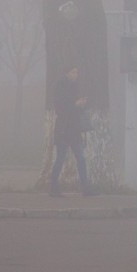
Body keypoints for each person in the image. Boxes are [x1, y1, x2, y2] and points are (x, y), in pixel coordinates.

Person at [49, 65, 95, 196]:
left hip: (74, 129)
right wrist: (75, 105)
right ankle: (54, 187)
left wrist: (82, 104)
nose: (76, 74)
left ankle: (86, 187)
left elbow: (75, 110)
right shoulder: (60, 87)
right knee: (60, 158)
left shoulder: (75, 87)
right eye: (73, 72)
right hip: (63, 129)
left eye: (77, 72)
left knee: (81, 158)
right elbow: (60, 109)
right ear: (67, 73)